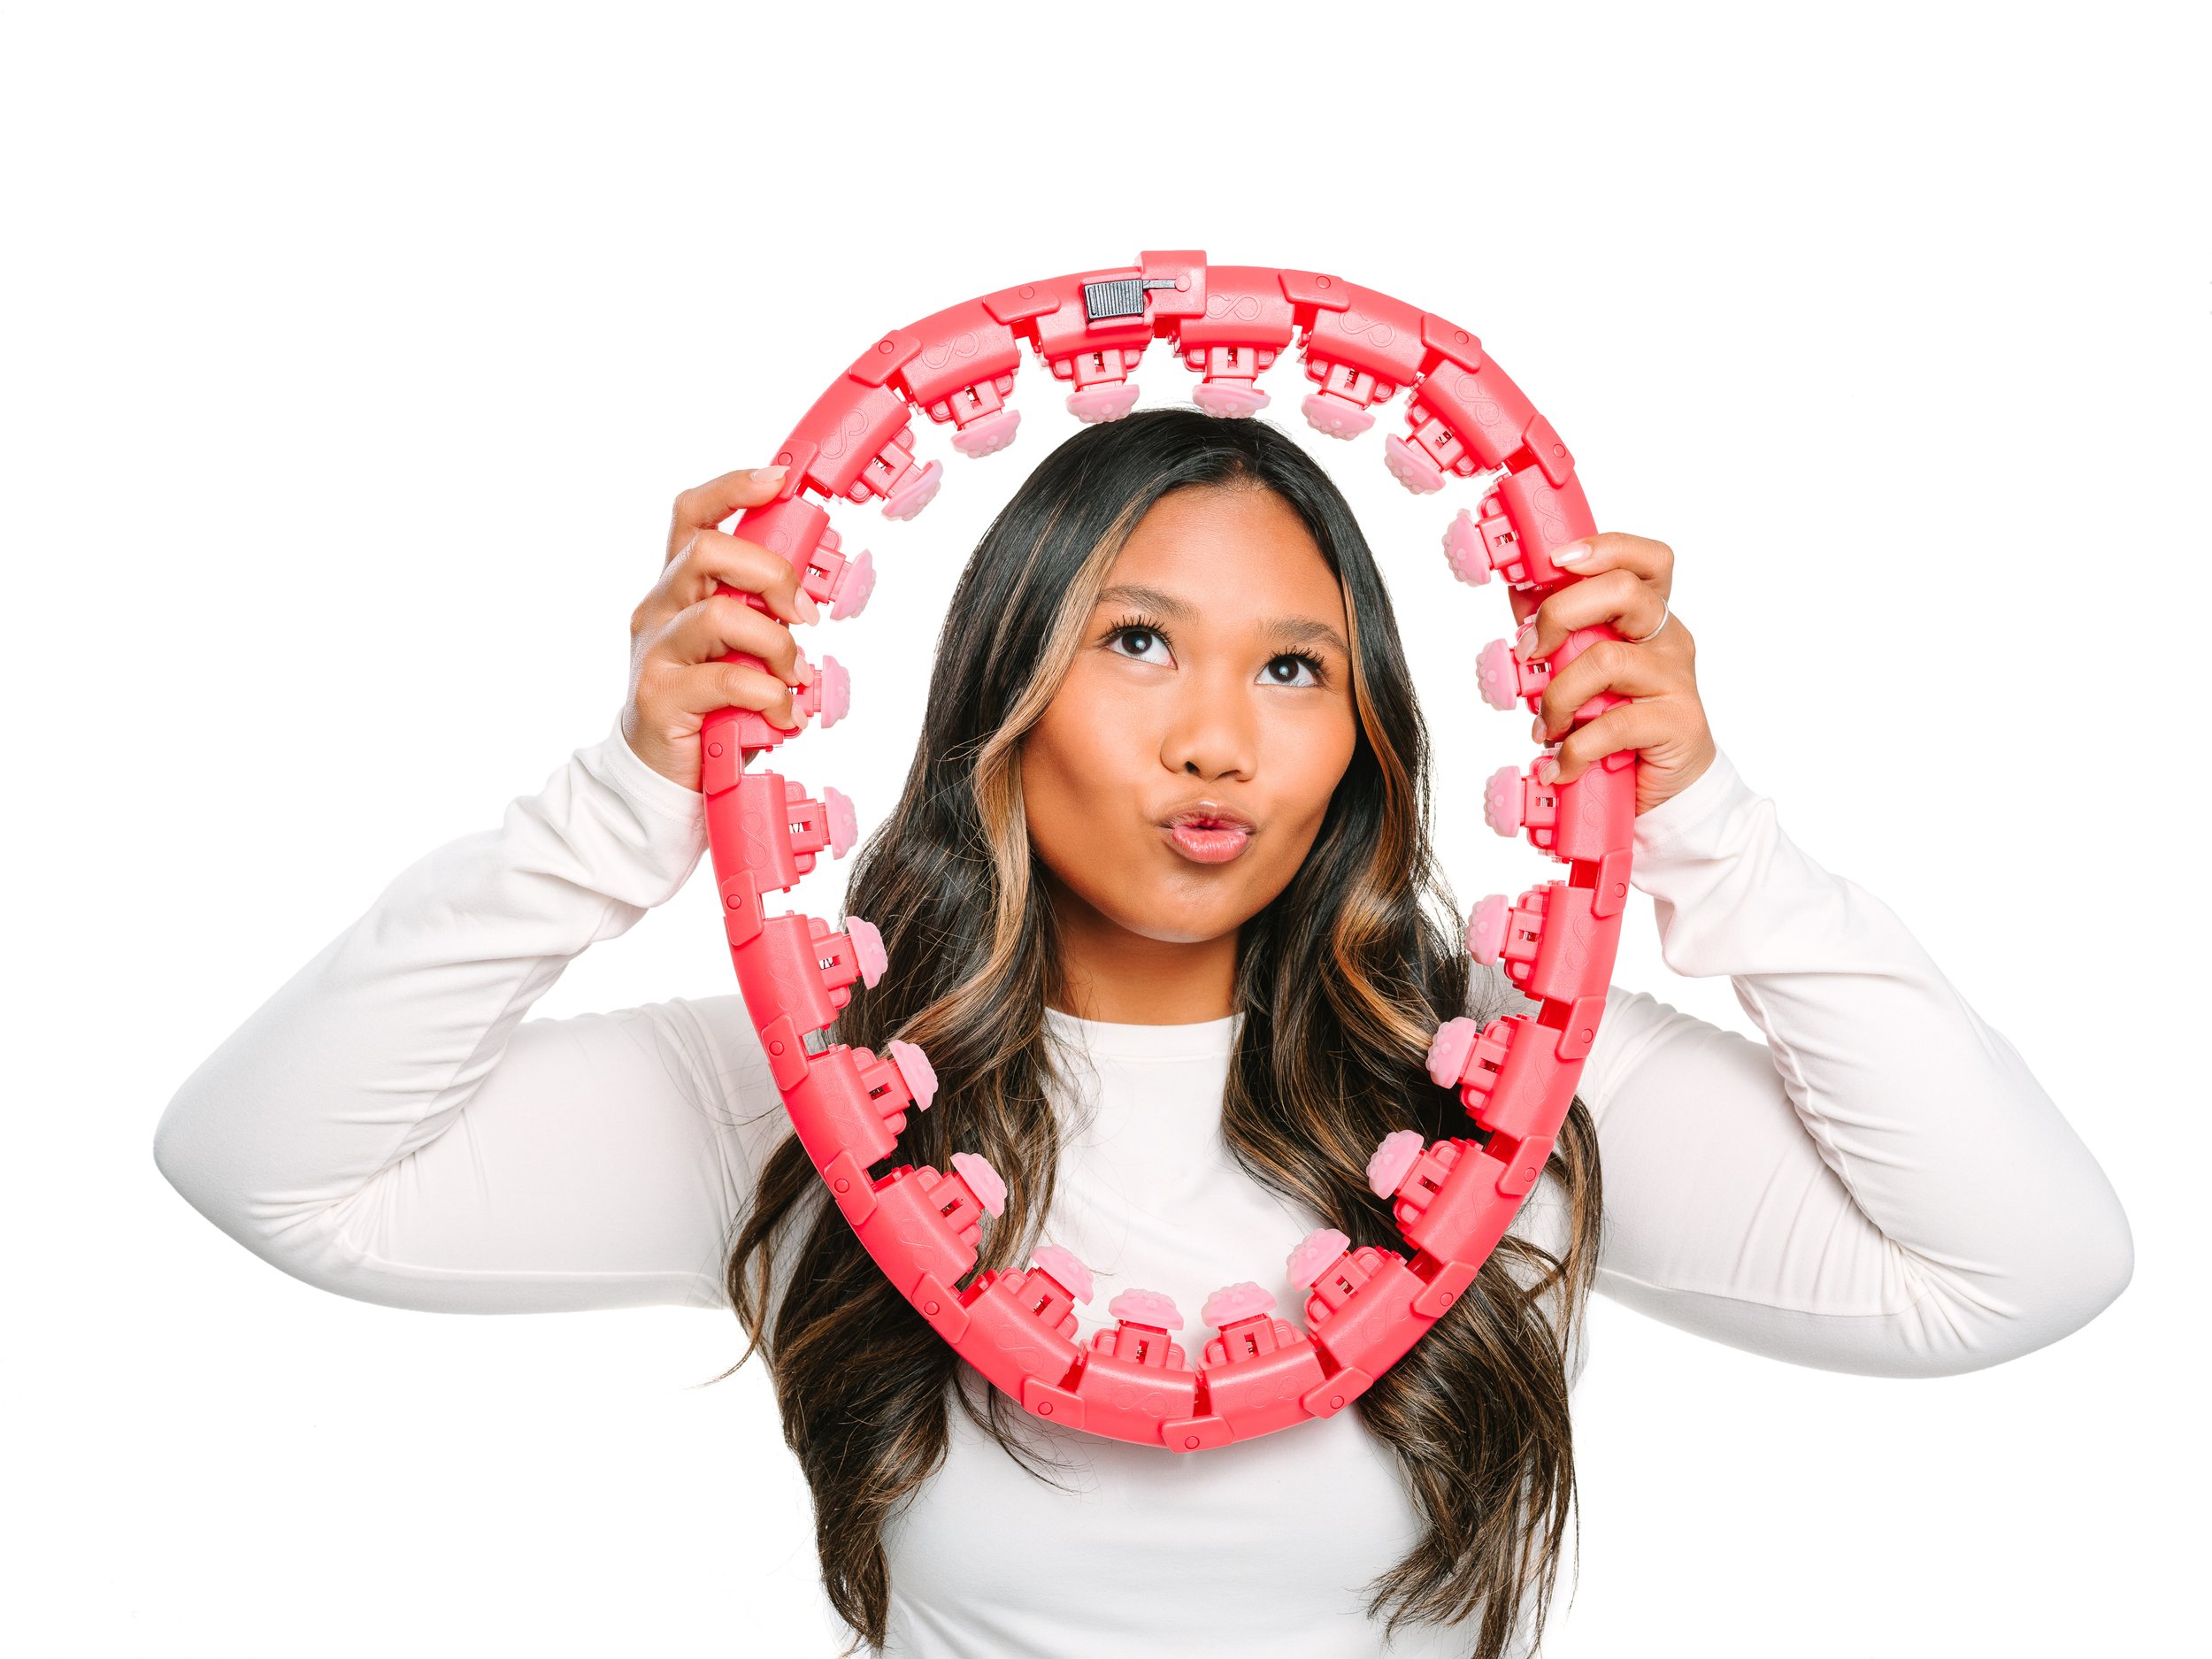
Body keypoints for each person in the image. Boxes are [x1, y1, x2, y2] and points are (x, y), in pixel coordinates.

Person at [151, 407, 2133, 1659]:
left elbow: (2019, 1265)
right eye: (1134, 642)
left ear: (1361, 730)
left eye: (1292, 665)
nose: (1215, 737)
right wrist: (633, 797)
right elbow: (267, 1163)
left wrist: (1699, 823)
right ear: (1001, 685)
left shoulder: (1506, 1093)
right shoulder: (812, 1094)